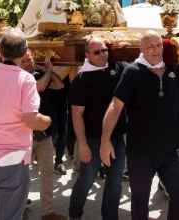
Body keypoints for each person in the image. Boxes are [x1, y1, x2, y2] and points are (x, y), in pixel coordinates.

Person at [99, 30, 179, 220]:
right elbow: (115, 106)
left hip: (170, 150)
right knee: (140, 199)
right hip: (141, 152)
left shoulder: (174, 69)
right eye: (150, 46)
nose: (156, 50)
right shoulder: (132, 72)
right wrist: (105, 140)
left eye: (158, 45)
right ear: (141, 48)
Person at [0, 29, 51, 220]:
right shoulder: (25, 79)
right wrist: (47, 120)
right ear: (25, 52)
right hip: (11, 159)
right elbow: (32, 120)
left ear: (1, 52)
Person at [68, 36, 129, 220]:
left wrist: (126, 50)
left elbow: (138, 68)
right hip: (92, 140)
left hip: (117, 138)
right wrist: (83, 145)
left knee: (115, 183)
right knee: (86, 181)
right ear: (87, 55)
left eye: (104, 50)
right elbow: (76, 114)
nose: (102, 54)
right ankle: (74, 214)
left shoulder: (118, 68)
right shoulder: (82, 79)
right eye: (97, 52)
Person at [19, 50, 67, 220]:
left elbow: (59, 85)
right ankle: (19, 208)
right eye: (23, 61)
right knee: (20, 174)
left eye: (30, 59)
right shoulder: (18, 78)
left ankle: (48, 212)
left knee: (46, 173)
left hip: (44, 134)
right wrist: (47, 70)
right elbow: (39, 86)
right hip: (24, 134)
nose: (28, 63)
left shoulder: (40, 73)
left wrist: (48, 69)